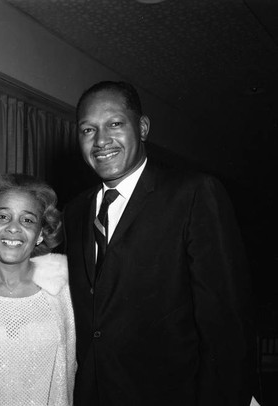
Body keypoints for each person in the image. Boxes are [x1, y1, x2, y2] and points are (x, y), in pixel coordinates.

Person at [64, 81, 255, 406]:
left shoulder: (194, 194)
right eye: (87, 130)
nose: (101, 141)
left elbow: (226, 326)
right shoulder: (73, 212)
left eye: (114, 124)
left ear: (142, 127)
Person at [0, 173, 76, 406]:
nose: (14, 228)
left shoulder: (65, 292)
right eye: (3, 216)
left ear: (40, 234)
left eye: (27, 220)